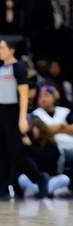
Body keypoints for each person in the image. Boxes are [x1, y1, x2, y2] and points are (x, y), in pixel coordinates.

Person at [0, 38, 29, 199]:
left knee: (14, 152)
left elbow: (24, 94)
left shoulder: (18, 68)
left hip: (13, 113)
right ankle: (3, 187)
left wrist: (22, 117)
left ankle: (18, 184)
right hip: (1, 112)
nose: (0, 51)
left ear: (11, 50)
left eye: (2, 48)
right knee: (2, 151)